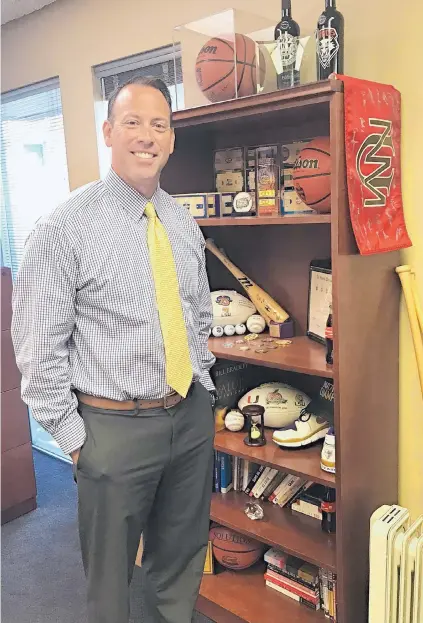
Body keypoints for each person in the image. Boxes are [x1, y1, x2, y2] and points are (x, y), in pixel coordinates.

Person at [11, 76, 217, 623]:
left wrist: (203, 390)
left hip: (189, 417)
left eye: (159, 125)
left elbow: (196, 313)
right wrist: (78, 443)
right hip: (113, 430)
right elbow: (36, 350)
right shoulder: (63, 229)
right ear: (108, 132)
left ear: (172, 140)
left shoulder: (181, 221)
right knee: (110, 583)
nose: (146, 136)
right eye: (132, 122)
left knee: (181, 561)